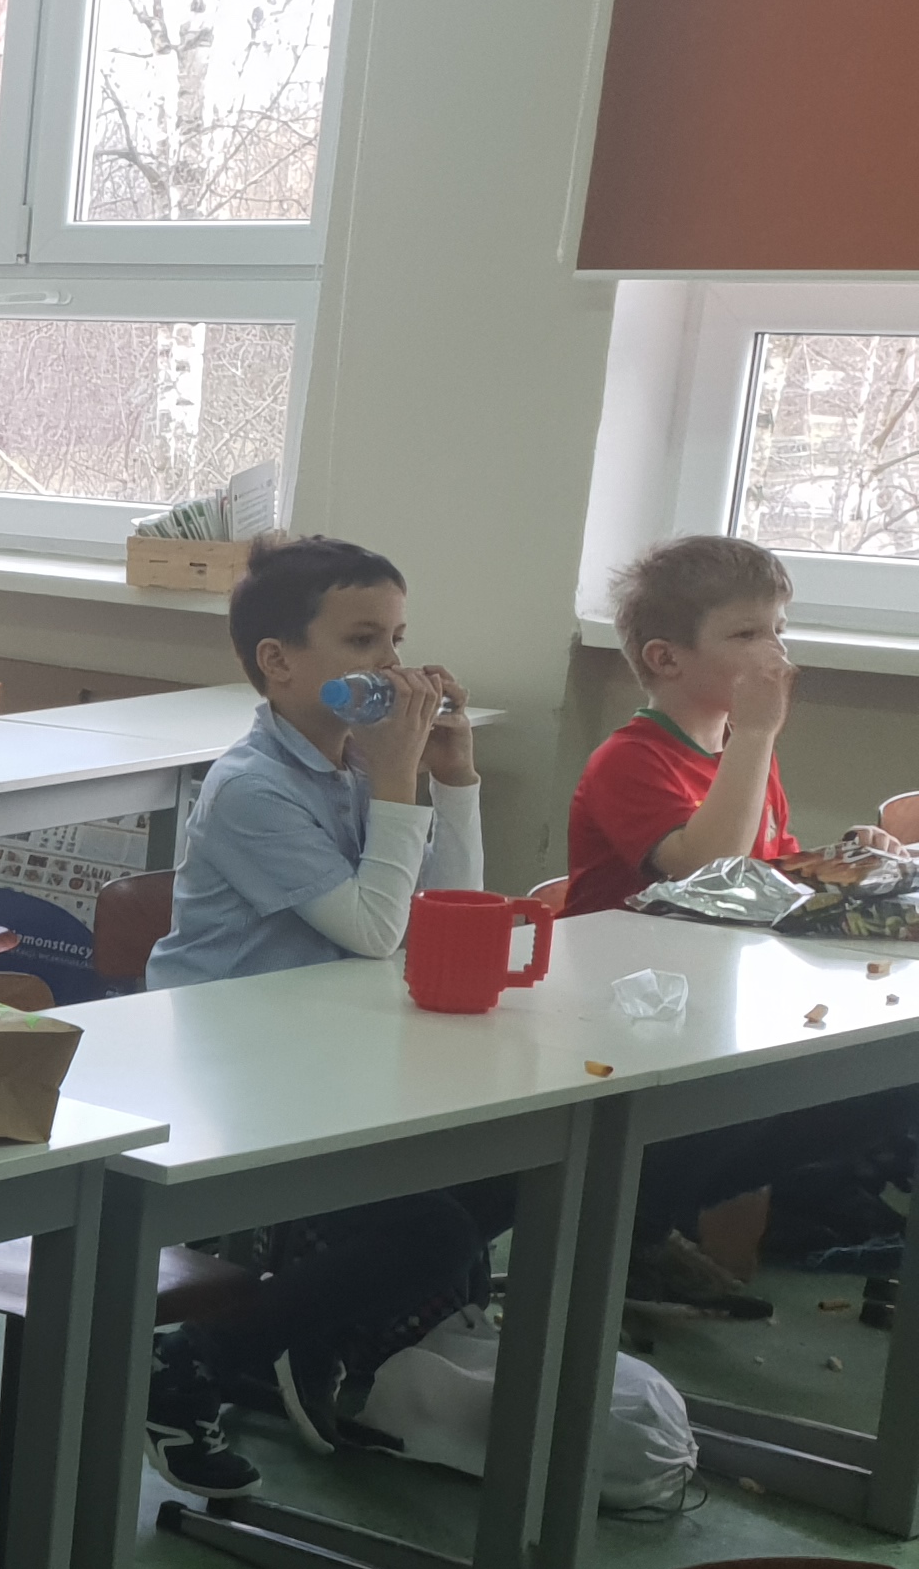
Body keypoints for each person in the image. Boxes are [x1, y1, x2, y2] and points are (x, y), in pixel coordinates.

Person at [139, 536, 494, 1494]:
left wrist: (451, 776)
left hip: (326, 1049)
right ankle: (191, 1367)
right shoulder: (252, 787)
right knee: (434, 1234)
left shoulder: (353, 767)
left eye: (398, 640)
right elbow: (379, 933)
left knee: (500, 1176)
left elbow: (446, 912)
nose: (394, 667)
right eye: (364, 641)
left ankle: (307, 1328)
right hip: (230, 1068)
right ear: (280, 661)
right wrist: (396, 777)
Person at [572, 536, 919, 1282]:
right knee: (772, 1107)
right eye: (747, 634)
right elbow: (711, 874)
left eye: (779, 630)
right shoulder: (631, 758)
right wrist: (758, 733)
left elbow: (767, 874)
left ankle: (651, 1227)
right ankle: (628, 1230)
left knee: (890, 1088)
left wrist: (845, 857)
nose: (775, 653)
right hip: (629, 1016)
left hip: (718, 998)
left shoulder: (740, 752)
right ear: (667, 659)